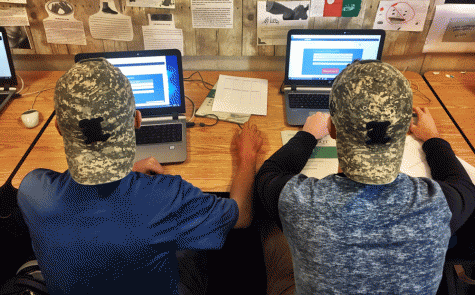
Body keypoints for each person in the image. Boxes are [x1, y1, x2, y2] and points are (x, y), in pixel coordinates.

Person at [17, 58, 263, 295]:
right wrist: (248, 156)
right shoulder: (166, 197)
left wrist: (129, 171)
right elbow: (241, 216)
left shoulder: (32, 191)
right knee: (191, 249)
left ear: (59, 127)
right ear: (137, 119)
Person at [255, 60, 475, 294]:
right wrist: (433, 139)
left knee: (270, 227)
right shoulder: (440, 205)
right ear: (405, 128)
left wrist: (307, 135)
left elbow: (267, 175)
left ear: (332, 129)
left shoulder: (300, 201)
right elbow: (462, 184)